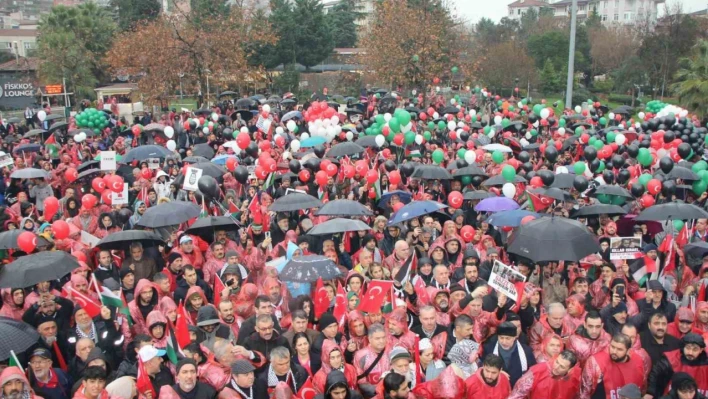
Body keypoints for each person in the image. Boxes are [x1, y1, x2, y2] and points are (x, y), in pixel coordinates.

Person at [580, 333, 649, 399]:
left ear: (628, 351)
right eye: (612, 347)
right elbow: (585, 391)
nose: (614, 352)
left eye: (619, 349)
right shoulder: (596, 361)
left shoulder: (638, 361)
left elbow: (642, 388)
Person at [646, 333, 708, 398]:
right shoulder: (671, 358)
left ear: (701, 350)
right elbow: (655, 374)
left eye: (695, 349)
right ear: (683, 347)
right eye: (688, 348)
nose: (690, 352)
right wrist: (650, 392)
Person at [482, 321, 536, 386]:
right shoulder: (489, 349)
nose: (504, 342)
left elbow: (533, 372)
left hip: (518, 389)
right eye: (501, 338)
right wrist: (497, 372)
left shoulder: (526, 351)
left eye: (508, 338)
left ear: (515, 337)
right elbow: (482, 369)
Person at [508, 350, 581, 399]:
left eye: (562, 367)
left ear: (570, 370)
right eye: (557, 362)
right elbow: (518, 392)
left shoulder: (574, 378)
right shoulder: (538, 371)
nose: (556, 367)